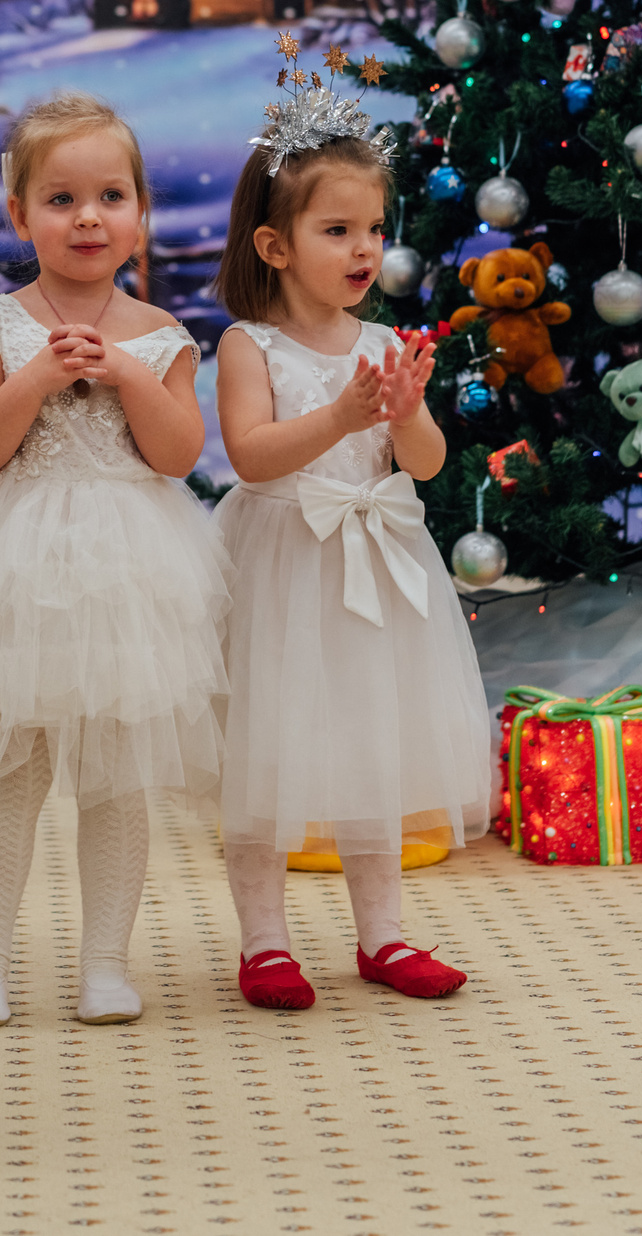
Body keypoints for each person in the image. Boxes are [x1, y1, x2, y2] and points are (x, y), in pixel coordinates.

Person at [0, 94, 228, 1028]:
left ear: (141, 214)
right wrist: (34, 377)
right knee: (10, 774)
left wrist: (128, 375)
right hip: (17, 574)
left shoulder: (161, 333)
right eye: (61, 199)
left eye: (112, 196)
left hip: (125, 579)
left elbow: (179, 456)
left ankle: (106, 962)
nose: (88, 218)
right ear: (20, 215)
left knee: (115, 778)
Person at [209, 65, 494, 1010]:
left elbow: (425, 463)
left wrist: (406, 412)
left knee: (377, 739)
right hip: (284, 563)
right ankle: (264, 940)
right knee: (269, 745)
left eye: (374, 228)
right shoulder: (249, 344)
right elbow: (252, 457)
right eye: (337, 230)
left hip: (376, 567)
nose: (364, 248)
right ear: (275, 244)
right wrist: (337, 418)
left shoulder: (381, 346)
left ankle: (384, 934)